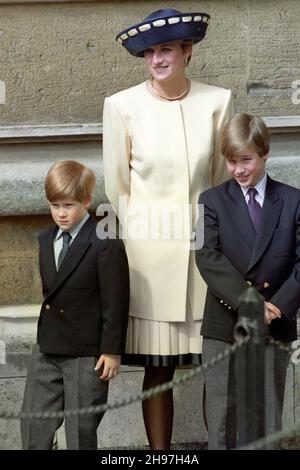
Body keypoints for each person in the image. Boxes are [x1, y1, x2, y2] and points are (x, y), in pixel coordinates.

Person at [103, 8, 233, 450]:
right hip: (150, 262)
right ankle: (160, 457)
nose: (157, 60)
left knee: (216, 366)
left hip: (205, 257)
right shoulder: (122, 105)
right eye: (150, 52)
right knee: (159, 369)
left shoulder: (218, 101)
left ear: (187, 51)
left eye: (167, 50)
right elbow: (117, 185)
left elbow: (219, 180)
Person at [195, 113, 300, 449]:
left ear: (265, 153)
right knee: (222, 417)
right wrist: (250, 302)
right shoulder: (210, 202)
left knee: (267, 418)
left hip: (275, 323)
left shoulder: (293, 201)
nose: (238, 169)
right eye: (231, 161)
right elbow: (207, 257)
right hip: (225, 324)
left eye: (246, 160)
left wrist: (277, 307)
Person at [21, 160, 129, 450]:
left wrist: (111, 350)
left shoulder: (104, 242)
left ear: (87, 200)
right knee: (33, 424)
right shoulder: (45, 239)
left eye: (68, 205)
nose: (61, 213)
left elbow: (116, 301)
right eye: (55, 205)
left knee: (80, 433)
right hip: (48, 347)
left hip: (86, 353)